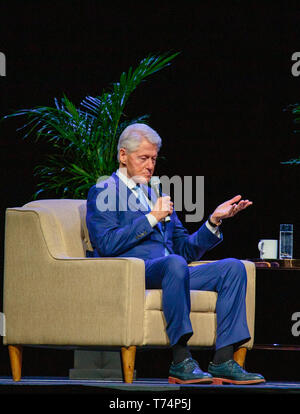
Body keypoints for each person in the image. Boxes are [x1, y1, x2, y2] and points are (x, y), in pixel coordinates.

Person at [86, 123, 265, 385]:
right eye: (143, 158)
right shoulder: (103, 193)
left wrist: (213, 222)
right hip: (135, 272)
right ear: (123, 156)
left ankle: (223, 361)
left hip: (174, 270)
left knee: (233, 268)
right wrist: (151, 217)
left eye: (154, 159)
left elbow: (184, 249)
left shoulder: (156, 194)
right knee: (174, 264)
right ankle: (181, 360)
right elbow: (107, 244)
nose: (150, 165)